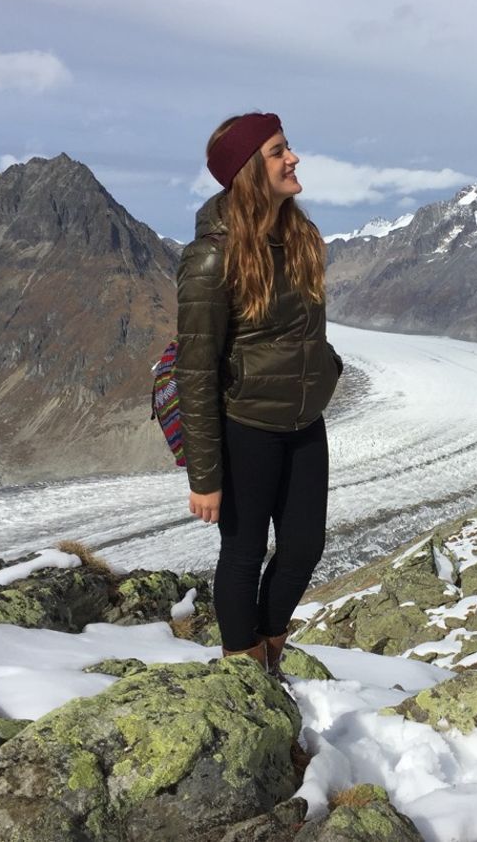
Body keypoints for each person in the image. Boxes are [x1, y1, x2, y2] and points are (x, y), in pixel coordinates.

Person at [175, 112, 342, 671]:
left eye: (287, 147)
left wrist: (326, 371)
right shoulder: (211, 257)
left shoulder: (301, 237)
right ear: (249, 170)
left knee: (303, 550)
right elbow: (195, 371)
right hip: (246, 426)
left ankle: (269, 653)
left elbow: (308, 330)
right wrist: (205, 476)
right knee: (243, 556)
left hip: (304, 424)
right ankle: (243, 671)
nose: (292, 158)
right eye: (277, 151)